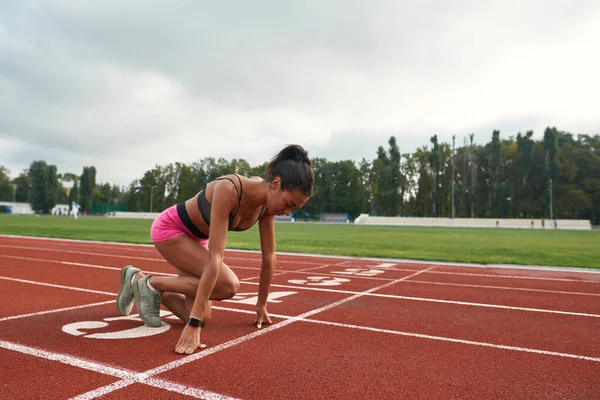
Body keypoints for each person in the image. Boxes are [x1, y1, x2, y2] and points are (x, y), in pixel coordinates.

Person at [116, 144, 314, 355]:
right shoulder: (229, 189)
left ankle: (139, 280)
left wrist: (261, 304)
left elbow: (269, 258)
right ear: (276, 184)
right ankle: (150, 284)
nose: (287, 212)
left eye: (294, 208)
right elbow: (216, 258)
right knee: (227, 285)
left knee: (203, 317)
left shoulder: (268, 206)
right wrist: (191, 324)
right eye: (289, 204)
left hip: (197, 240)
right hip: (171, 229)